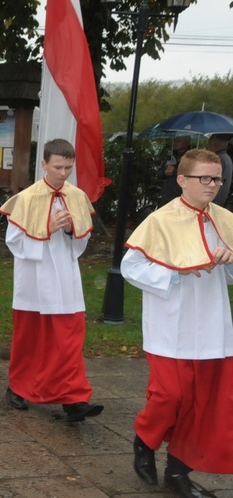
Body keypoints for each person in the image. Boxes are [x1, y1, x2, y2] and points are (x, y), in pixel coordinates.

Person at [122, 149, 233, 498]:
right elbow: (131, 266)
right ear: (182, 180)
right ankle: (145, 439)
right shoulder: (160, 220)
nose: (212, 185)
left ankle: (178, 470)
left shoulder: (226, 219)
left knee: (203, 404)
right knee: (169, 395)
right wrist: (176, 272)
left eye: (217, 178)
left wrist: (229, 260)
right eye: (205, 178)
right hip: (171, 324)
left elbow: (228, 275)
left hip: (213, 324)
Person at [0, 138, 103, 423]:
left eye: (68, 167)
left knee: (68, 340)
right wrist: (46, 228)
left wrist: (71, 231)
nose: (63, 173)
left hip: (66, 280)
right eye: (58, 167)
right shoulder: (27, 197)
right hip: (34, 279)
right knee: (29, 338)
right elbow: (14, 241)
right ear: (43, 164)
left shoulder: (77, 196)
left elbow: (82, 242)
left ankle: (74, 399)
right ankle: (18, 387)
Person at [158, 136, 192, 206]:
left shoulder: (190, 158)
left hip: (182, 195)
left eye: (178, 141)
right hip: (167, 195)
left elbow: (191, 174)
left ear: (186, 143)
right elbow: (159, 174)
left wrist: (175, 171)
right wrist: (164, 173)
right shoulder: (170, 157)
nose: (175, 143)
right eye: (175, 141)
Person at [207, 134, 233, 206]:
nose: (207, 147)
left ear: (215, 145)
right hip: (220, 201)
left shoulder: (218, 159)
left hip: (213, 201)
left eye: (209, 144)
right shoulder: (227, 158)